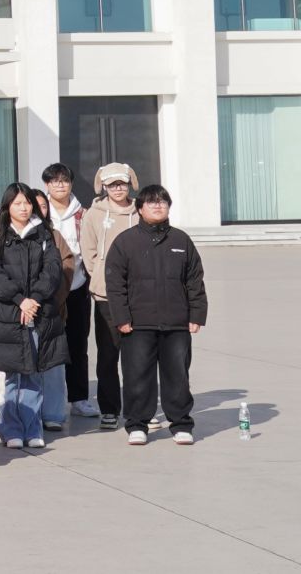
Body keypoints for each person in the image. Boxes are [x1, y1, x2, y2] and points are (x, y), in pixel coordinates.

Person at [106, 185, 207, 447]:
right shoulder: (126, 241)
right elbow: (115, 284)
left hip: (176, 322)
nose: (158, 206)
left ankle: (181, 424)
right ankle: (137, 425)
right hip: (138, 323)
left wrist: (197, 313)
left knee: (178, 375)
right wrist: (121, 317)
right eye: (151, 202)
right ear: (140, 208)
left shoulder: (181, 240)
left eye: (163, 201)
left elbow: (194, 280)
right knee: (137, 375)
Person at [0, 183, 67, 450]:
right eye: (17, 203)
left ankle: (33, 428)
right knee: (9, 376)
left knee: (33, 373)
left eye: (27, 202)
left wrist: (35, 299)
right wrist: (20, 300)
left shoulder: (43, 233)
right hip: (6, 314)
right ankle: (10, 430)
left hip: (37, 312)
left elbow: (52, 269)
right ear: (7, 206)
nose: (23, 207)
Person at [79, 162, 141, 430]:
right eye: (112, 184)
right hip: (106, 295)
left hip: (139, 295)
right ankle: (109, 409)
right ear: (104, 186)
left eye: (122, 183)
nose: (118, 189)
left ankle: (139, 408)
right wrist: (101, 277)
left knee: (138, 355)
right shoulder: (94, 214)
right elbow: (89, 251)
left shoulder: (140, 212)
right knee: (108, 354)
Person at [41, 163, 93, 418]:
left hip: (77, 287)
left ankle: (79, 398)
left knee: (77, 344)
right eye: (54, 181)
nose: (59, 185)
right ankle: (46, 402)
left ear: (71, 184)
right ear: (47, 185)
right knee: (47, 345)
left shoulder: (83, 214)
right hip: (48, 290)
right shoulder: (40, 212)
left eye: (64, 180)